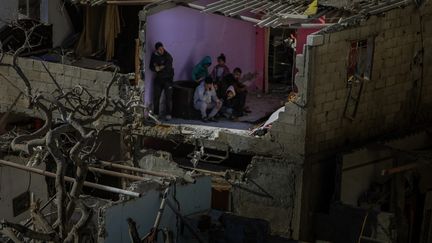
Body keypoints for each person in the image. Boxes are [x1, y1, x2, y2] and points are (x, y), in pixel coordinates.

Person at [149, 42, 174, 120]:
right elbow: (151, 66)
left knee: (168, 97)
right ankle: (156, 113)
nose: (162, 50)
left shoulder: (168, 56)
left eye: (162, 48)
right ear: (157, 50)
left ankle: (168, 114)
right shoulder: (154, 55)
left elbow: (168, 68)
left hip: (168, 79)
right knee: (156, 97)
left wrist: (158, 68)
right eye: (160, 49)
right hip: (159, 79)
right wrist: (157, 68)